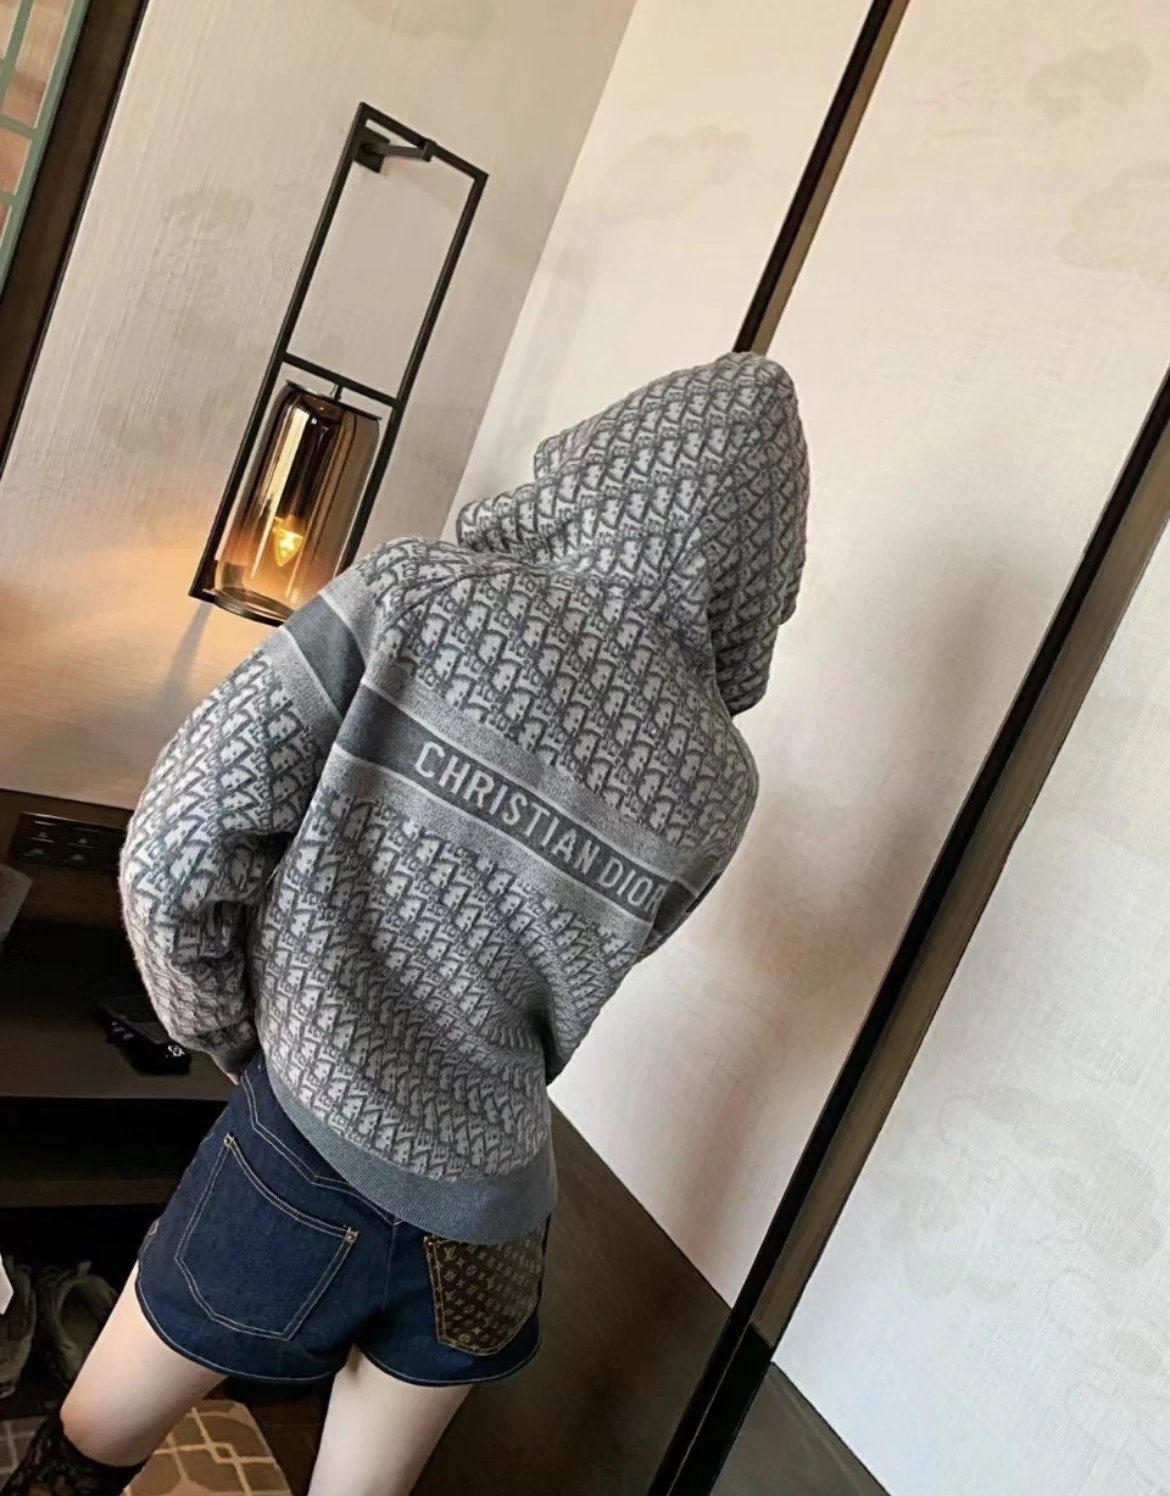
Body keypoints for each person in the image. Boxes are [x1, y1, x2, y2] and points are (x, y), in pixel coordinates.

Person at [2, 353, 808, 1496]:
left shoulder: (422, 595)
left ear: (606, 465)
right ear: (762, 570)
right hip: (497, 1222)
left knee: (81, 1450)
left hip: (302, 1156)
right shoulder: (720, 783)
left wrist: (234, 1033)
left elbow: (174, 850)